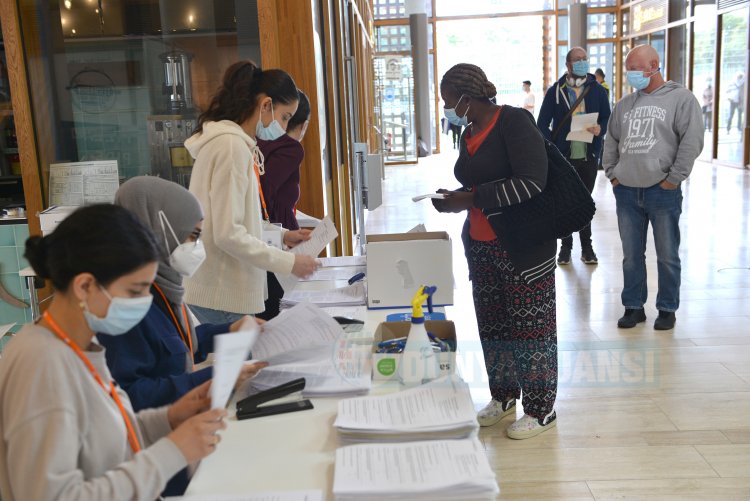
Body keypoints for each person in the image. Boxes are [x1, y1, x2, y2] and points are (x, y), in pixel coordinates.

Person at [0, 204, 227, 500]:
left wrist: (169, 418)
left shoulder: (78, 345)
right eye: (135, 291)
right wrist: (172, 452)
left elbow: (103, 442)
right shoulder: (42, 365)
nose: (145, 302)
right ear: (85, 286)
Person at [431, 63, 558, 440]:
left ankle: (541, 409)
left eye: (449, 101)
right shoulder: (469, 130)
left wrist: (471, 197)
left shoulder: (514, 122)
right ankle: (503, 396)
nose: (447, 108)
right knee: (494, 326)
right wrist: (456, 200)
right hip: (483, 245)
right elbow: (476, 180)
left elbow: (533, 181)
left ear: (467, 99)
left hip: (522, 247)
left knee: (531, 330)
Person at [99, 176, 267, 412]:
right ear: (158, 230)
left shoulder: (159, 286)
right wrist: (217, 376)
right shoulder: (125, 302)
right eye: (193, 236)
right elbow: (131, 395)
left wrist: (228, 330)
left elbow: (173, 346)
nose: (197, 248)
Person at [184, 61, 319, 325]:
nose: (283, 127)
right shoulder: (231, 147)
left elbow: (233, 219)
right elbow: (228, 234)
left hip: (220, 289)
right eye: (285, 117)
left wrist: (282, 235)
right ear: (266, 105)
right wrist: (289, 263)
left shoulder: (233, 144)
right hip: (222, 292)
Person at [604, 44, 703, 331]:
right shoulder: (624, 105)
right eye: (628, 69)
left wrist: (674, 178)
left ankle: (667, 308)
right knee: (631, 255)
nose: (630, 74)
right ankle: (633, 307)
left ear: (654, 65)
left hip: (663, 190)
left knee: (667, 254)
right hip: (627, 190)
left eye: (634, 68)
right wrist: (613, 174)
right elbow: (611, 141)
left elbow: (691, 140)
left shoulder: (681, 99)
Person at [538, 47, 611, 266]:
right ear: (568, 65)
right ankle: (566, 247)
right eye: (577, 60)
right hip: (564, 158)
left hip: (588, 156)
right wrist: (554, 147)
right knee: (564, 203)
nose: (582, 63)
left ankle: (587, 248)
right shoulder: (555, 91)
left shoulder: (597, 91)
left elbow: (607, 117)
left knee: (585, 202)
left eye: (584, 59)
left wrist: (600, 128)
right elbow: (541, 123)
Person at [257, 90, 311, 320]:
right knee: (280, 314)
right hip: (278, 243)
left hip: (268, 237)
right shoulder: (290, 149)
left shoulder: (256, 142)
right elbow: (265, 196)